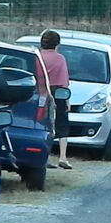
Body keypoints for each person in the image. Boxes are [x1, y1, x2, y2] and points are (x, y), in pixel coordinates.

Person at [40, 30, 72, 170]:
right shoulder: (60, 59)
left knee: (45, 124)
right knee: (62, 124)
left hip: (42, 93)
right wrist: (67, 99)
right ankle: (63, 157)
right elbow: (64, 80)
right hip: (58, 93)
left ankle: (45, 156)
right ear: (57, 44)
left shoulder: (38, 57)